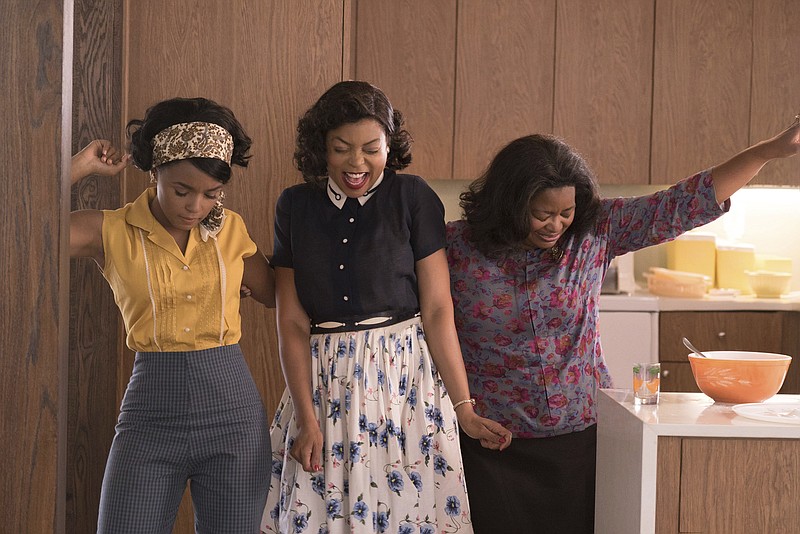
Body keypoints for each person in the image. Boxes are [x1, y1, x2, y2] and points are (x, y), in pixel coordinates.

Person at [445, 114, 800, 533]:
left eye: (566, 212)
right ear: (509, 202)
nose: (555, 225)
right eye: (542, 213)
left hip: (582, 435)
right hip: (491, 438)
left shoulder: (595, 232)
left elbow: (683, 203)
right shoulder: (454, 246)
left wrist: (765, 152)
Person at [260, 80, 512, 534]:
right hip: (324, 385)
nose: (357, 163)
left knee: (406, 517)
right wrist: (305, 414)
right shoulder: (293, 205)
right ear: (321, 149)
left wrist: (465, 408)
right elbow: (292, 320)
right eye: (341, 149)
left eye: (371, 148)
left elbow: (436, 309)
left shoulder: (413, 197)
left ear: (389, 145)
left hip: (404, 385)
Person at [69, 97, 275, 533]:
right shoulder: (109, 230)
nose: (196, 205)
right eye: (182, 190)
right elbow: (21, 225)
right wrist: (78, 166)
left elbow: (277, 294)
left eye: (211, 194)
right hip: (149, 415)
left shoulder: (231, 229)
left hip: (234, 419)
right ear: (154, 172)